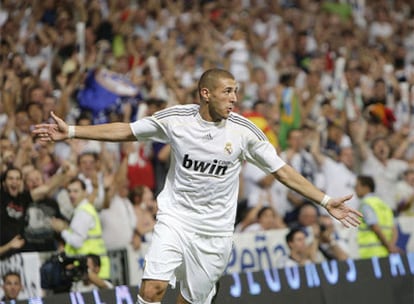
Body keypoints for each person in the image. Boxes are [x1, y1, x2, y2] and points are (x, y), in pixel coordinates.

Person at [33, 68, 362, 304]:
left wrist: (325, 200)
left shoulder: (244, 131)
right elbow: (128, 131)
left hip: (215, 233)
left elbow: (282, 171)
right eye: (227, 91)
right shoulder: (177, 120)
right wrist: (73, 132)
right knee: (152, 290)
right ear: (206, 94)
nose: (234, 99)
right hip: (175, 220)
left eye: (236, 91)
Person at [49, 178, 110, 280]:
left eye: (76, 191)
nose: (71, 195)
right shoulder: (85, 209)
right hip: (94, 268)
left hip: (91, 270)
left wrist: (62, 231)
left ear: (85, 192)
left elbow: (77, 242)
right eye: (69, 191)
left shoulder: (83, 212)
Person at [355, 175, 400, 259]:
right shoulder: (384, 204)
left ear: (366, 187)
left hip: (370, 254)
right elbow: (394, 229)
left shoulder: (366, 203)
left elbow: (375, 227)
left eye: (357, 186)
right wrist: (391, 246)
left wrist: (389, 246)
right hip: (386, 253)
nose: (355, 189)